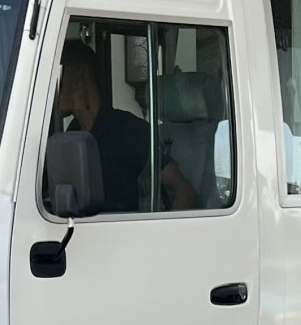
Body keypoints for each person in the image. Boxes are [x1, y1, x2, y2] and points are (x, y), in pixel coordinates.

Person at [55, 42, 198, 213]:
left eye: (58, 77)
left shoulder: (131, 132)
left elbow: (185, 193)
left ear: (81, 74)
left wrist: (160, 236)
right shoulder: (68, 138)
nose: (52, 88)